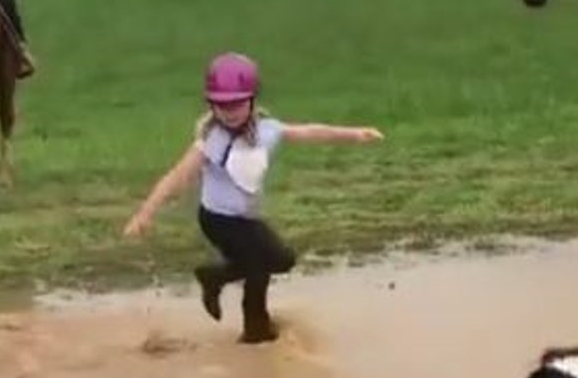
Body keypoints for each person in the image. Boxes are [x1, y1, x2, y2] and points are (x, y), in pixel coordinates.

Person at [123, 52, 384, 344]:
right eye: (222, 105)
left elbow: (311, 132)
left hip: (246, 219)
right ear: (211, 105)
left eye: (236, 103)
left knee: (281, 260)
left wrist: (354, 134)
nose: (229, 111)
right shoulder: (211, 141)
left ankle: (215, 277)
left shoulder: (267, 131)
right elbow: (177, 176)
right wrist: (145, 214)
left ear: (252, 99)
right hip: (218, 220)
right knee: (259, 264)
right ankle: (256, 329)